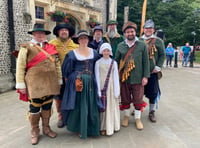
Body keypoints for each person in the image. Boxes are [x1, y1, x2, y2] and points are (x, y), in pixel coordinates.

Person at [15, 24, 62, 145]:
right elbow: (20, 66)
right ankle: (35, 131)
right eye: (37, 33)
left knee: (47, 106)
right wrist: (21, 84)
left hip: (50, 82)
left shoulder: (51, 47)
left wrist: (59, 80)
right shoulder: (26, 47)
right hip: (34, 84)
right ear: (33, 34)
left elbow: (57, 65)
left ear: (45, 35)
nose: (40, 35)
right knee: (34, 108)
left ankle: (46, 128)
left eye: (42, 33)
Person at [61, 30, 103, 139]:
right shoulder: (71, 54)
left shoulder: (94, 53)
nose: (83, 40)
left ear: (88, 40)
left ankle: (91, 128)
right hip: (77, 81)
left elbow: (99, 67)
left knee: (90, 103)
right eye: (81, 38)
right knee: (78, 104)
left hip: (90, 82)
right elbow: (66, 71)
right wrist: (69, 86)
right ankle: (79, 128)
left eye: (85, 38)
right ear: (78, 40)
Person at [115, 21, 150, 130]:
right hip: (124, 78)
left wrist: (145, 76)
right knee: (125, 98)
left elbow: (146, 62)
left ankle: (137, 119)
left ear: (135, 32)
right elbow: (116, 61)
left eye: (132, 31)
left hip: (138, 77)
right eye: (128, 32)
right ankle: (126, 116)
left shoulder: (142, 44)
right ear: (124, 33)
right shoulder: (120, 45)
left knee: (138, 99)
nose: (130, 33)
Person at [49, 23, 78, 128]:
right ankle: (61, 117)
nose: (64, 32)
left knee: (71, 96)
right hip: (57, 76)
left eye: (66, 30)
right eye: (62, 30)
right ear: (58, 32)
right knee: (58, 98)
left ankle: (71, 116)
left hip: (71, 76)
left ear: (69, 32)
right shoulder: (51, 44)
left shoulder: (75, 45)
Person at [140, 19, 165, 123]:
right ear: (143, 29)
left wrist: (158, 67)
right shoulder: (139, 41)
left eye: (150, 28)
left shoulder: (158, 41)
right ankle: (138, 108)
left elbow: (162, 55)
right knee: (138, 92)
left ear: (153, 29)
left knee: (152, 93)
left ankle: (151, 111)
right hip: (140, 72)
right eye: (146, 28)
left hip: (152, 72)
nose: (148, 30)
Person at [95, 43, 120, 136]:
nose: (106, 52)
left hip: (111, 88)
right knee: (103, 108)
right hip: (102, 87)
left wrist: (117, 91)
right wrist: (98, 91)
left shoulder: (114, 63)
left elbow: (116, 77)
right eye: (104, 50)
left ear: (110, 52)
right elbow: (97, 76)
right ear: (101, 51)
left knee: (111, 106)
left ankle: (112, 126)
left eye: (108, 50)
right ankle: (103, 127)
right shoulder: (98, 63)